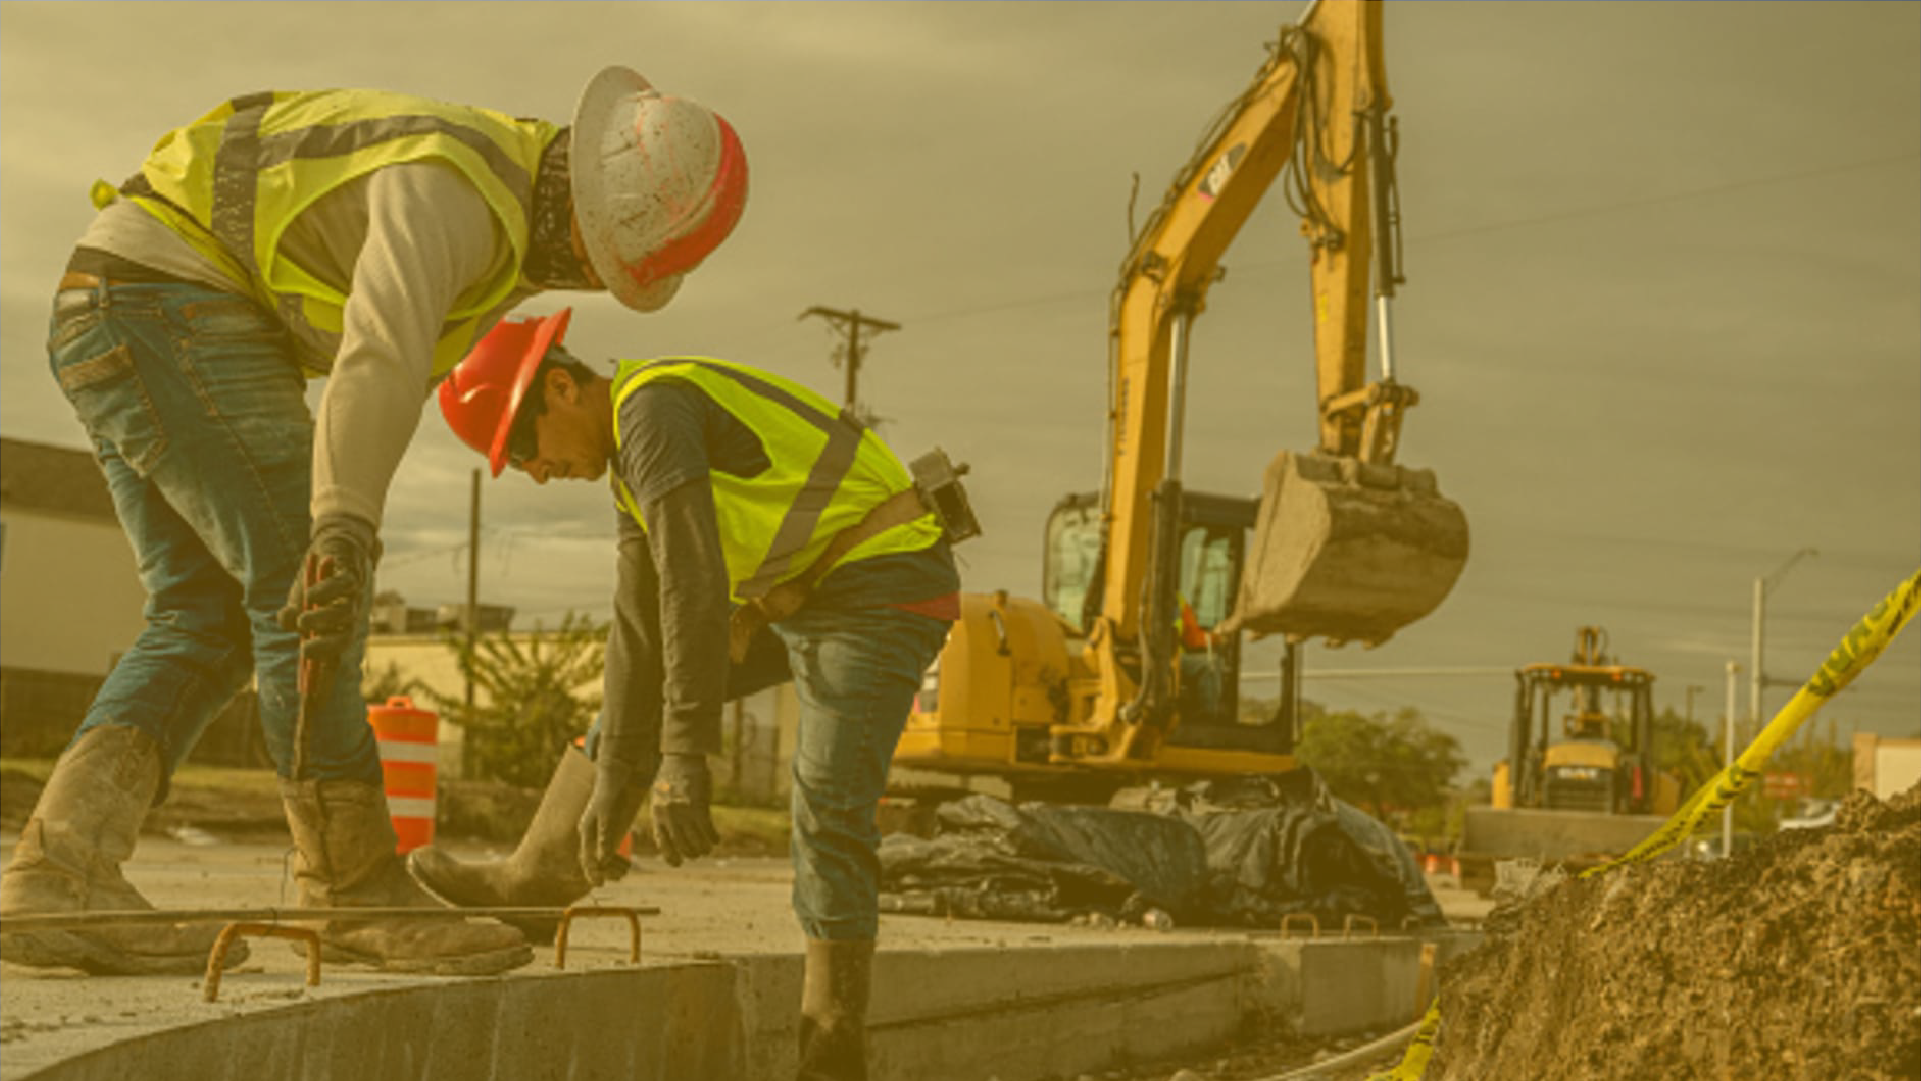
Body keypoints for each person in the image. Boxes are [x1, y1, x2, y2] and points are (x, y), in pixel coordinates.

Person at [0, 69, 748, 978]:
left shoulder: (495, 200)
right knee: (302, 589)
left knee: (205, 617)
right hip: (169, 305)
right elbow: (380, 352)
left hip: (116, 307)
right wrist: (344, 528)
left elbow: (385, 361)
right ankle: (348, 883)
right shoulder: (454, 189)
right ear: (580, 204)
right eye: (597, 261)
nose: (587, 280)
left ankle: (57, 870)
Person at [422, 310, 960, 1079]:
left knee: (828, 802)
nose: (537, 472)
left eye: (526, 448)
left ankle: (833, 1045)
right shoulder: (627, 462)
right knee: (634, 693)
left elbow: (694, 581)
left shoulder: (653, 410)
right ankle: (536, 879)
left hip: (885, 579)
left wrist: (683, 758)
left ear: (564, 388)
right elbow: (639, 631)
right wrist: (615, 778)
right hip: (811, 588)